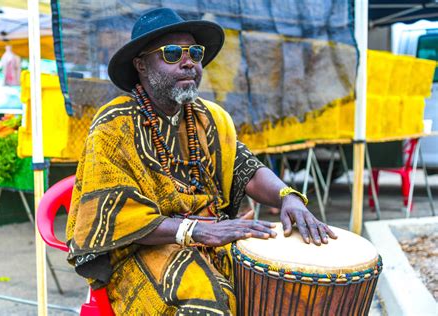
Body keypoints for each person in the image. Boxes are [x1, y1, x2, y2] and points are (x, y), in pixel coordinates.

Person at [66, 8, 337, 315]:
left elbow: (246, 168)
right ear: (141, 64)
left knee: (286, 287)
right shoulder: (114, 127)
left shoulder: (209, 117)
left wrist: (288, 198)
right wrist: (192, 230)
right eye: (171, 53)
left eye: (195, 52)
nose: (189, 62)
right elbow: (111, 217)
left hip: (214, 239)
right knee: (207, 304)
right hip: (141, 250)